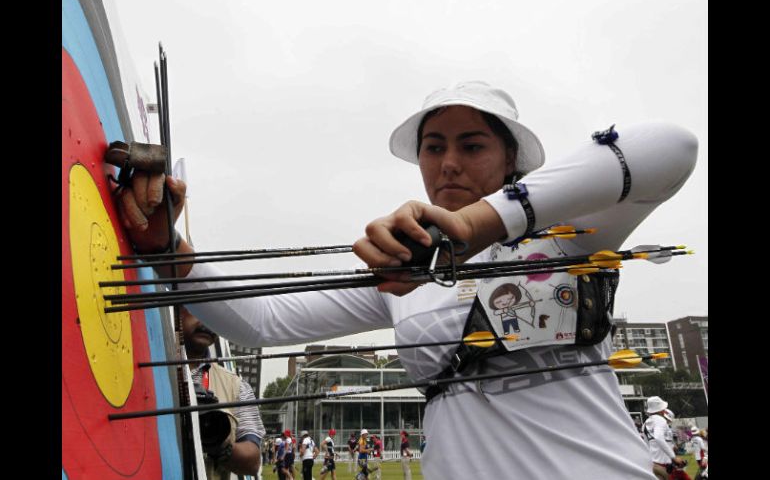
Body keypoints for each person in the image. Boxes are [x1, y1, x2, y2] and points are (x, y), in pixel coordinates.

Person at [118, 80, 698, 479]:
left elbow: (673, 146)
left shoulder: (567, 237)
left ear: (510, 163)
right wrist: (166, 246)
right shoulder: (407, 267)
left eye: (472, 146)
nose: (448, 163)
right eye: (433, 147)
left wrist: (474, 226)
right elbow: (264, 320)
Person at [181, 306, 265, 479]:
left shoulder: (237, 386)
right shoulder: (145, 372)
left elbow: (253, 462)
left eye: (214, 315)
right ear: (175, 310)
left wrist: (217, 444)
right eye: (197, 308)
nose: (206, 321)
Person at [643, 397, 687, 480]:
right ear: (660, 409)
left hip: (653, 465)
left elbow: (646, 446)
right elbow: (658, 437)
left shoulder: (644, 424)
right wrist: (674, 457)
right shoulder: (660, 420)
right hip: (665, 466)